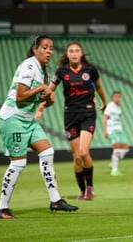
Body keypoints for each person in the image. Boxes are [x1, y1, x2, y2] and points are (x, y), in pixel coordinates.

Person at [0, 35, 78, 219]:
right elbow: (20, 97)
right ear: (35, 49)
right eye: (45, 47)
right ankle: (2, 208)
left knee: (47, 153)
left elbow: (39, 101)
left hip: (28, 120)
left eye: (51, 48)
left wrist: (47, 99)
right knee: (18, 163)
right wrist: (42, 89)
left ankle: (55, 200)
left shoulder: (41, 70)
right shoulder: (29, 66)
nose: (49, 51)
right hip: (13, 118)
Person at [38, 41, 107, 201]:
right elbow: (48, 90)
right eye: (71, 51)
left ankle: (90, 187)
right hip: (70, 115)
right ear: (67, 54)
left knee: (83, 152)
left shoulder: (90, 70)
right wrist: (40, 107)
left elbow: (99, 87)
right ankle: (82, 191)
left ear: (81, 53)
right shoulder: (62, 71)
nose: (74, 53)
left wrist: (105, 102)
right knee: (76, 157)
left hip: (88, 113)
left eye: (77, 50)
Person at [103, 91, 130, 176]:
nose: (117, 98)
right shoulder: (110, 106)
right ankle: (114, 170)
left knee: (126, 147)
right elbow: (105, 118)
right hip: (112, 129)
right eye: (116, 97)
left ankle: (113, 161)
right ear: (112, 98)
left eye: (119, 97)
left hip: (119, 130)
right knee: (117, 147)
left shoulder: (118, 108)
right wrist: (105, 130)